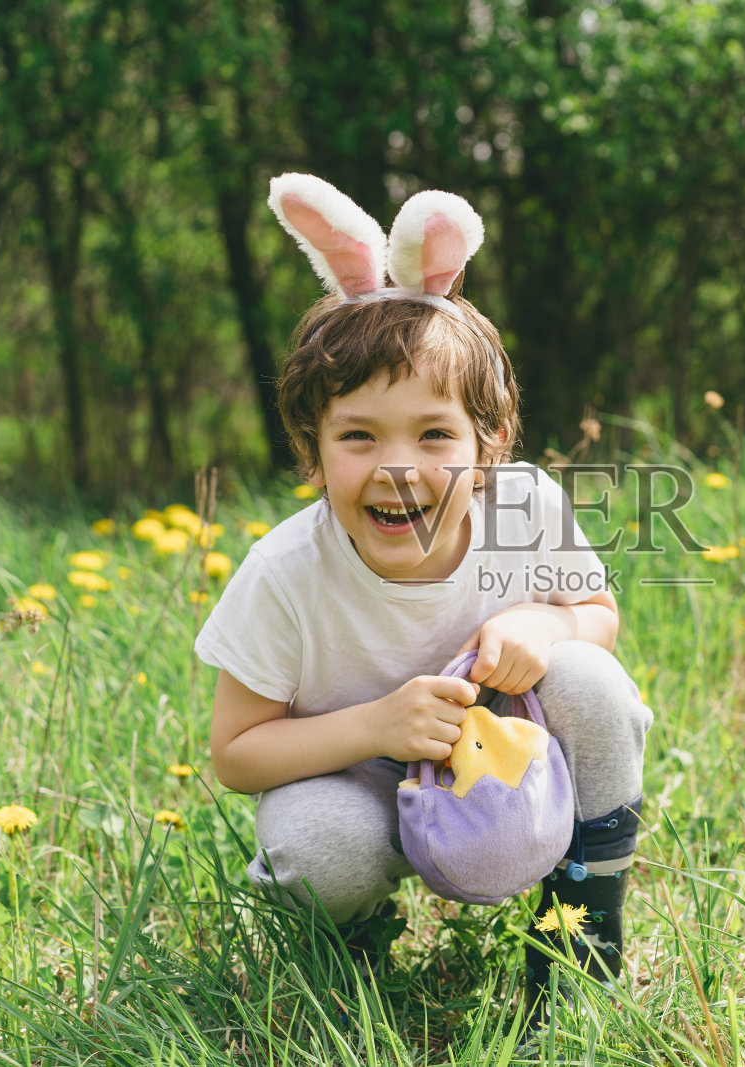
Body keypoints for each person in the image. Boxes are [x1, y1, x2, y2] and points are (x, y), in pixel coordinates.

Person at [194, 174, 652, 1016]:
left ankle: (578, 924)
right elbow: (236, 751)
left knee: (593, 681)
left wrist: (543, 623)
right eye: (359, 436)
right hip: (357, 784)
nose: (397, 467)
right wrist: (376, 725)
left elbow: (599, 618)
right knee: (319, 846)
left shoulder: (525, 509)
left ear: (490, 444)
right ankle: (352, 937)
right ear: (313, 446)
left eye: (434, 434)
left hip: (511, 760)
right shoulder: (287, 570)